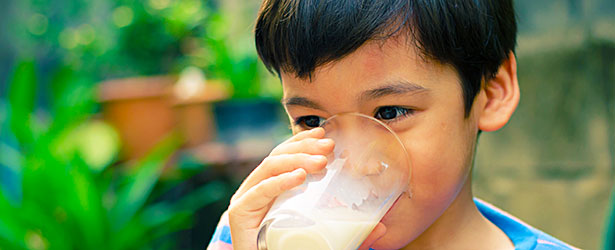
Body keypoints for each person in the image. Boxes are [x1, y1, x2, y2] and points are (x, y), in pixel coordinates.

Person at [208, 0, 578, 249]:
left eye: (389, 113)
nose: (352, 163)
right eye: (312, 121)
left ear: (492, 92)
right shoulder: (250, 234)